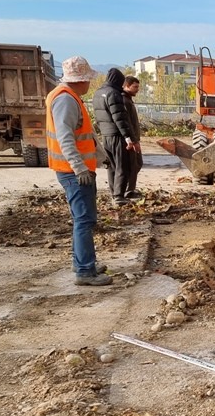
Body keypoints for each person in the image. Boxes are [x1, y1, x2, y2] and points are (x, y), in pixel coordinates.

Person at [46, 56, 112, 286]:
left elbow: (83, 136)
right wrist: (79, 167)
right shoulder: (65, 100)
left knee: (80, 218)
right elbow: (66, 138)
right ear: (80, 80)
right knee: (84, 219)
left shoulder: (68, 97)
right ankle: (84, 271)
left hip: (76, 169)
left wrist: (101, 157)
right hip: (75, 172)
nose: (90, 84)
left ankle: (82, 262)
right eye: (88, 80)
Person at [92, 68, 137, 206]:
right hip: (117, 136)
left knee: (111, 166)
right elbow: (120, 119)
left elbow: (98, 117)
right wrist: (128, 138)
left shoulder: (98, 93)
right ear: (117, 80)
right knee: (122, 166)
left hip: (106, 135)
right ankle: (119, 196)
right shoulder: (114, 94)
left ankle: (114, 193)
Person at [123, 75, 143, 200]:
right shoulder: (124, 101)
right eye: (135, 87)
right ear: (126, 86)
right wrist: (133, 140)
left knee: (137, 164)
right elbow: (127, 123)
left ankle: (130, 189)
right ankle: (128, 190)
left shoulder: (128, 99)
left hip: (134, 138)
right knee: (134, 165)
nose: (137, 89)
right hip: (131, 140)